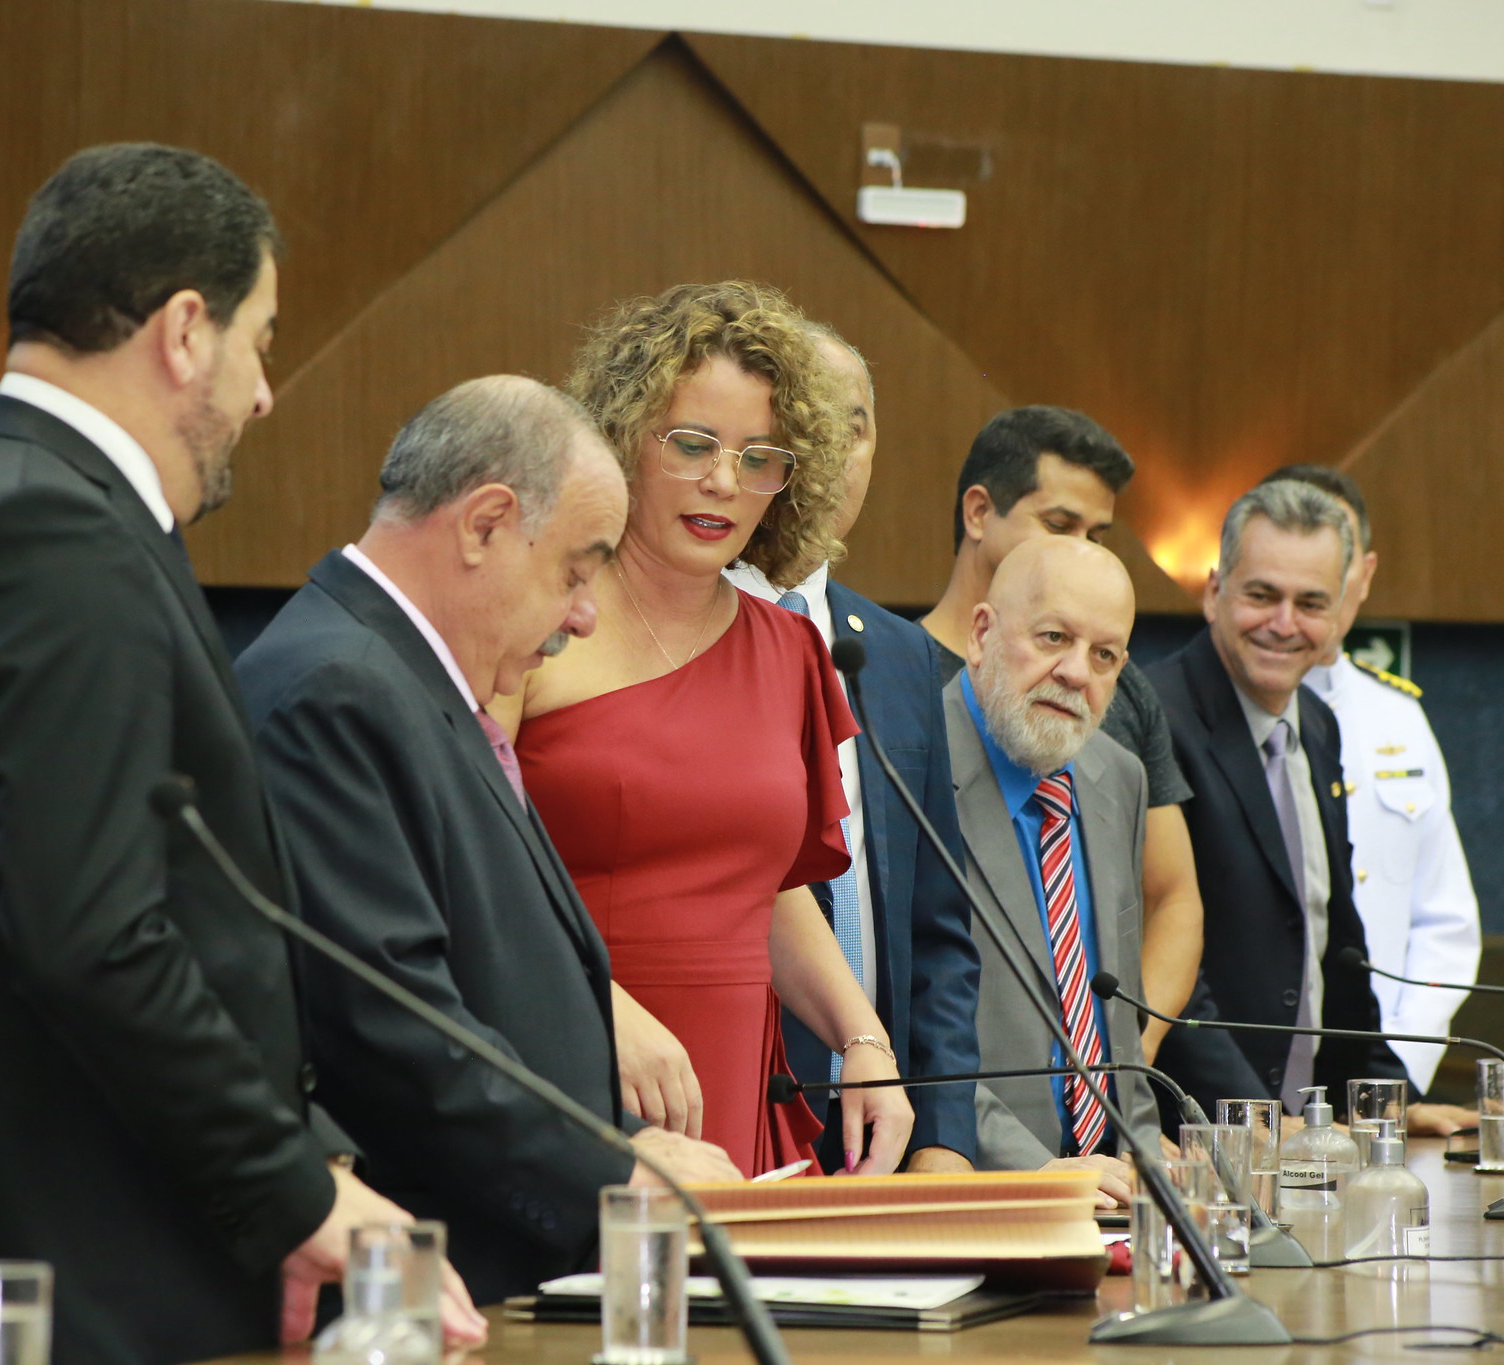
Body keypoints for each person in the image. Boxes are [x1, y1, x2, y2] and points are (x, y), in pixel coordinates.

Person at [0, 144, 481, 1365]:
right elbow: (92, 933)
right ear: (184, 330)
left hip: (98, 1242)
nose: (262, 392)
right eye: (261, 337)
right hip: (67, 1270)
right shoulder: (49, 531)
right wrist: (298, 1193)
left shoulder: (26, 502)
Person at [236, 377, 740, 1304]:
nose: (585, 615)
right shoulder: (335, 689)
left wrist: (621, 1137)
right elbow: (392, 1025)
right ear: (484, 525)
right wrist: (613, 1173)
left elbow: (501, 999)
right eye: (577, 571)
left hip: (498, 1271)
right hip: (422, 1284)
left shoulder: (404, 681)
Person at [493, 280, 914, 1178]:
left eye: (761, 457)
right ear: (619, 442)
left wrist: (862, 1038)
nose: (724, 482)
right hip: (565, 1058)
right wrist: (596, 1006)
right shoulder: (533, 621)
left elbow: (761, 881)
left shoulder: (787, 645)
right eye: (692, 445)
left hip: (730, 1084)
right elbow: (467, 861)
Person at [724, 327, 982, 1174]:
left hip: (888, 1122)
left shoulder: (900, 655)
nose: (836, 451)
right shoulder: (687, 633)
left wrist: (945, 1137)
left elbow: (938, 928)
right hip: (741, 1109)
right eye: (810, 424)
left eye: (858, 424)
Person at [920, 407, 1202, 1063]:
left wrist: (1121, 1069)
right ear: (979, 512)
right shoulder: (896, 693)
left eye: (1098, 534)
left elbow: (1172, 897)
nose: (1076, 672)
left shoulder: (1122, 705)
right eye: (1059, 524)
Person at [1145, 480, 1425, 1118]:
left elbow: (1337, 941)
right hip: (1195, 1131)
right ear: (1216, 591)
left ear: (1340, 616)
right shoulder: (1152, 718)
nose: (1284, 624)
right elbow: (1160, 964)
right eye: (1262, 595)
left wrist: (1386, 1099)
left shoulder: (1318, 726)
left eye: (1311, 602)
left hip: (1301, 1135)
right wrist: (1257, 1120)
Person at [1260, 465, 1482, 1093]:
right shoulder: (1221, 714)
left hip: (1380, 1077)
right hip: (1252, 1080)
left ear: (1361, 571)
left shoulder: (1400, 717)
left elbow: (1444, 922)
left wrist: (1399, 1077)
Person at [948, 535, 1156, 1207]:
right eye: (1053, 637)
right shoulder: (904, 758)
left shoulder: (1116, 775)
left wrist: (1151, 1169)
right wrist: (1035, 1173)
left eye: (1104, 655)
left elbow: (1116, 1034)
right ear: (982, 632)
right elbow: (890, 1032)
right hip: (980, 1199)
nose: (1075, 673)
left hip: (1110, 1212)